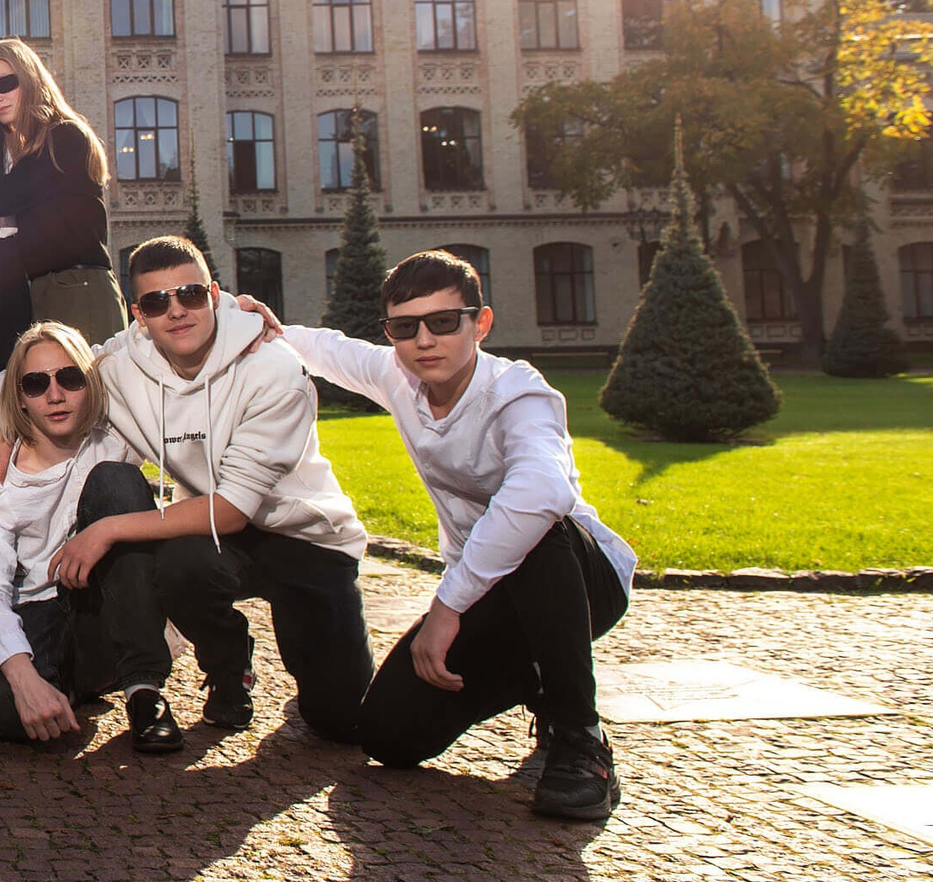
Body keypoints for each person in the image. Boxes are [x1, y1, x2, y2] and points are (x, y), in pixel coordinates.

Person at [239, 250, 636, 820]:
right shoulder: (401, 375)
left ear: (481, 323)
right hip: (487, 596)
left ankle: (580, 738)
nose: (424, 340)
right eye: (405, 327)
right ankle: (539, 676)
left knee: (533, 530)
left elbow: (543, 492)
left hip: (580, 581)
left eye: (443, 322)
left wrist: (448, 608)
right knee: (387, 736)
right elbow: (331, 351)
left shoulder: (517, 393)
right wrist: (254, 320)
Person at [0, 235, 374, 751]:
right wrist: (6, 431)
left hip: (304, 539)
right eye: (159, 302)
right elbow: (62, 372)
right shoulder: (124, 363)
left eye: (189, 295)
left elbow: (231, 509)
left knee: (339, 723)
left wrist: (108, 528)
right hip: (218, 536)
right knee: (180, 563)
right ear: (139, 314)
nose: (177, 311)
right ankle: (229, 665)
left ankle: (317, 667)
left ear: (213, 293)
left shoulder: (273, 370)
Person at [0, 323, 150, 747]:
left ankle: (143, 685)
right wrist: (24, 679)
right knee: (7, 713)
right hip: (34, 610)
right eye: (36, 384)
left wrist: (229, 307)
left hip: (101, 604)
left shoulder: (118, 442)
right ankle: (66, 686)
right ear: (20, 399)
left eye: (70, 378)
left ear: (89, 382)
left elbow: (145, 339)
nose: (55, 395)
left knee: (118, 482)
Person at [0, 37, 122, 360]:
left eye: (5, 84)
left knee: (94, 399)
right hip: (52, 289)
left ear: (31, 79)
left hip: (78, 287)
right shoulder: (35, 149)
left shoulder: (63, 138)